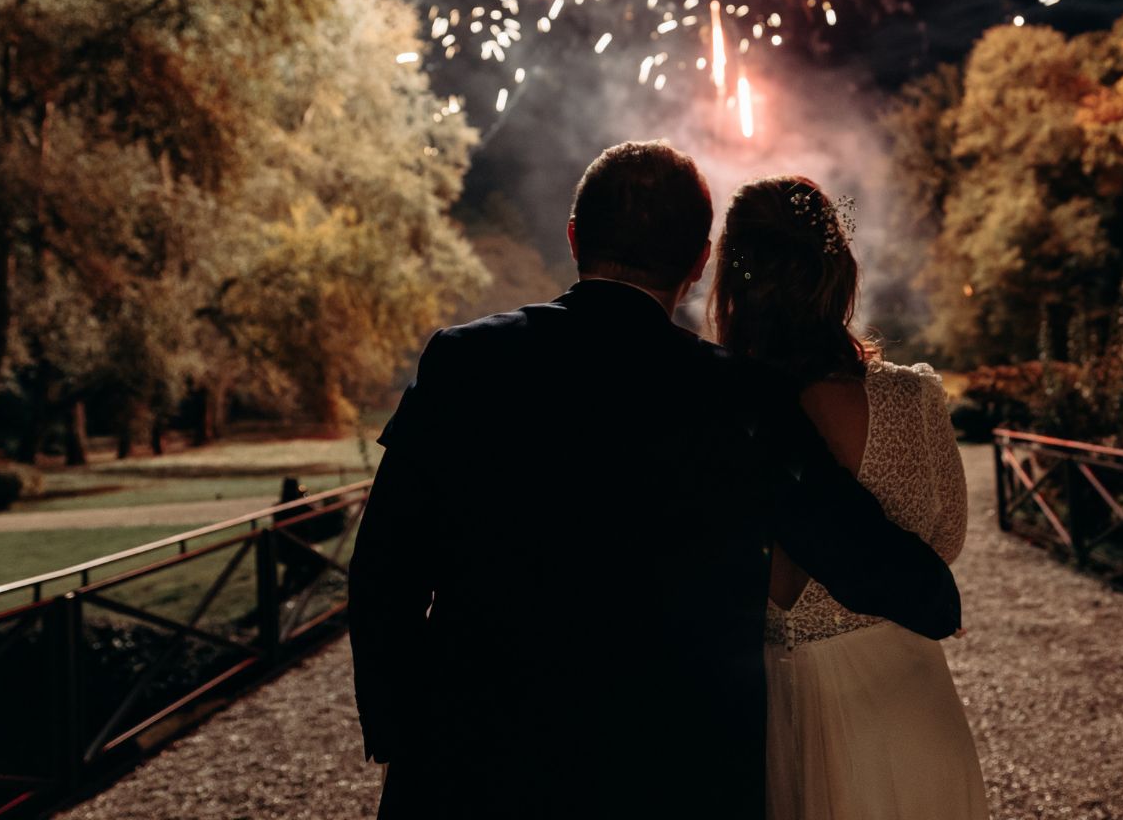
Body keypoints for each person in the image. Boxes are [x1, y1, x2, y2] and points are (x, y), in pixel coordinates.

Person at [349, 141, 961, 819]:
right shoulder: (741, 397)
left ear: (575, 236)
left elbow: (384, 570)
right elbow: (847, 545)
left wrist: (404, 736)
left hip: (471, 768)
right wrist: (934, 597)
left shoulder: (463, 362)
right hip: (665, 777)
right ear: (699, 263)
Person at [713, 176, 987, 820]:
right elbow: (943, 543)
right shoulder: (912, 401)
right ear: (839, 272)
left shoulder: (710, 414)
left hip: (768, 717)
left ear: (732, 281)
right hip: (907, 705)